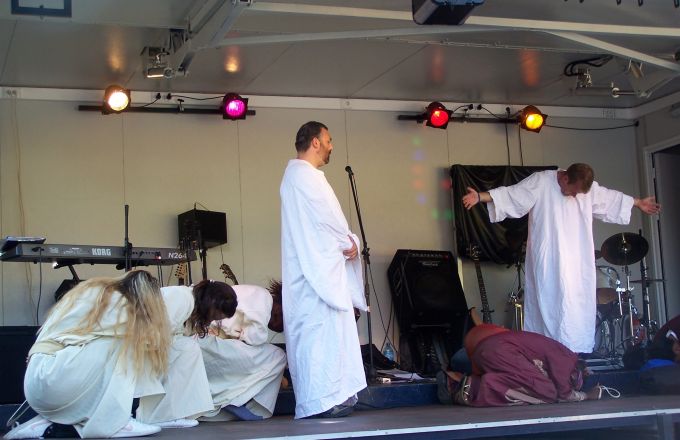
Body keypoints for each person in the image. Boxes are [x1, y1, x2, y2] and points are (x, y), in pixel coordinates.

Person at [462, 163, 661, 353]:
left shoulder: (586, 191)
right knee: (548, 305)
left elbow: (610, 198)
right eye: (573, 191)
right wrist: (479, 196)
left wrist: (637, 203)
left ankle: (573, 357)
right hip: (548, 261)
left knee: (575, 310)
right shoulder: (542, 182)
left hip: (576, 261)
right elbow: (513, 195)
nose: (575, 196)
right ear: (565, 178)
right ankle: (547, 355)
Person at [6, 271, 173, 439]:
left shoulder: (93, 292)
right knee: (129, 344)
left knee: (121, 340)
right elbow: (152, 340)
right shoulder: (120, 304)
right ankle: (114, 420)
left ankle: (52, 423)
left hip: (39, 383)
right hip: (53, 383)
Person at [280, 121, 368, 419]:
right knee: (319, 339)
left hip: (314, 271)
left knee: (322, 338)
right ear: (315, 142)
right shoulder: (305, 177)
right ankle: (322, 401)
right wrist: (350, 242)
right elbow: (327, 223)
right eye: (328, 140)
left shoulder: (297, 177)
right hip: (315, 275)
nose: (331, 146)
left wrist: (347, 241)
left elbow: (323, 224)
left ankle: (332, 397)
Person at [437, 324, 611, 407]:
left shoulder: (560, 353)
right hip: (500, 351)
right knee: (547, 392)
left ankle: (459, 382)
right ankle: (470, 387)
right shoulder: (567, 359)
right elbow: (563, 394)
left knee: (532, 384)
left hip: (489, 351)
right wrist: (586, 396)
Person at [192, 281, 287, 421]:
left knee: (267, 355)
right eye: (283, 323)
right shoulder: (264, 297)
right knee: (278, 356)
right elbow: (255, 338)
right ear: (279, 309)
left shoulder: (254, 291)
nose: (281, 328)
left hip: (204, 343)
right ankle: (237, 400)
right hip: (207, 341)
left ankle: (234, 398)